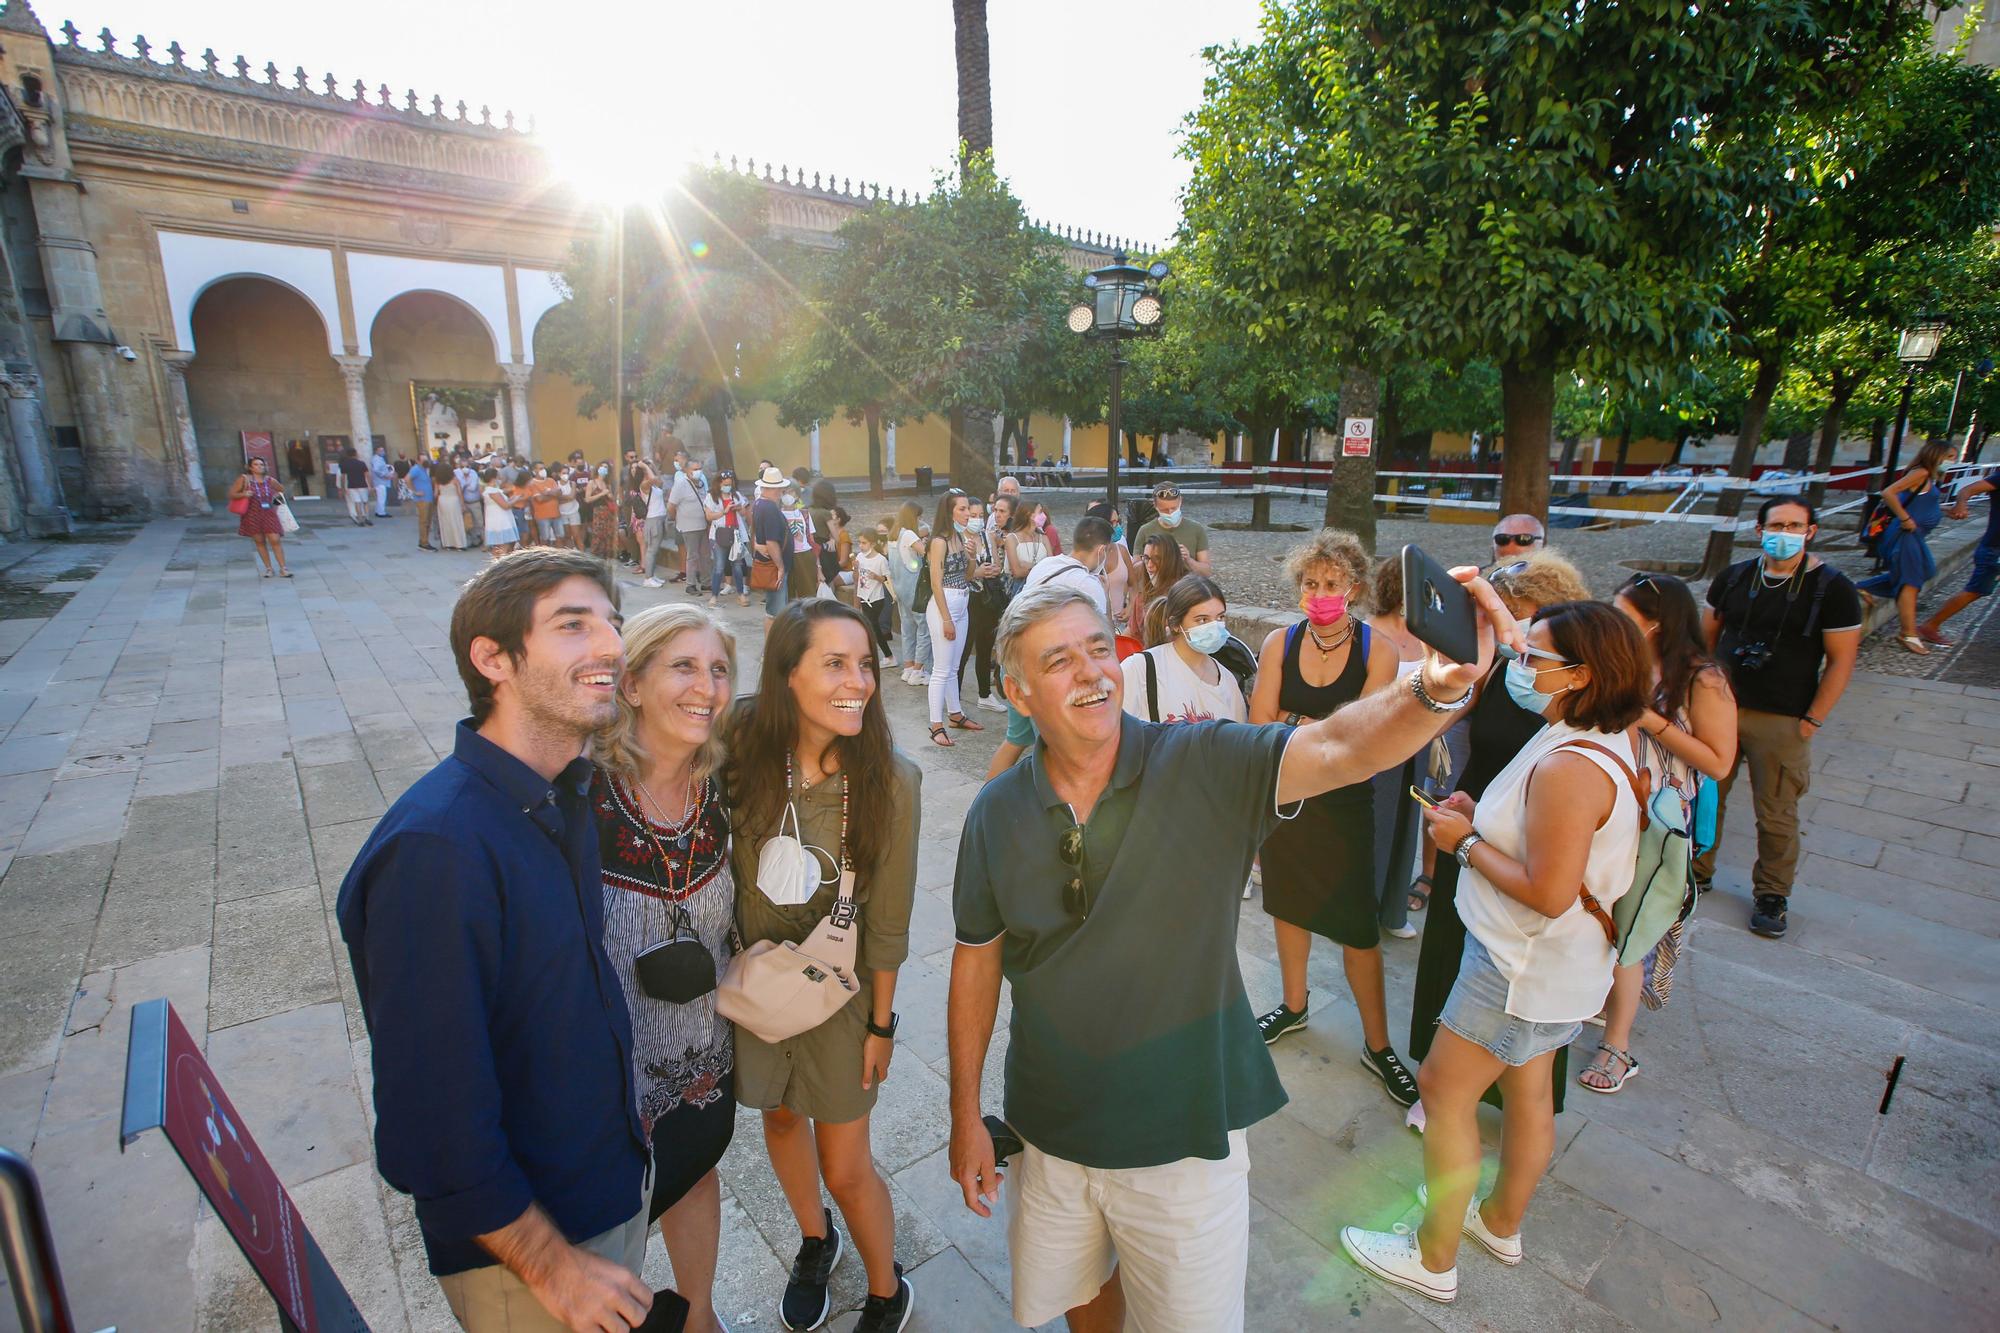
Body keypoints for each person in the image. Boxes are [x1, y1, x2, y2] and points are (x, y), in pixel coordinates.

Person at [948, 576, 1520, 1333]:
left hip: (1185, 1142)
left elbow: (1339, 745)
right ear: (1018, 696)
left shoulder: (1201, 761)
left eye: (1098, 647)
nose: (1092, 671)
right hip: (1050, 1130)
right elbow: (976, 962)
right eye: (1060, 661)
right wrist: (963, 1113)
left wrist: (1436, 687)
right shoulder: (995, 811)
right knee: (1080, 1298)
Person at [337, 550, 654, 1333]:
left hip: (601, 1189)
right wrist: (556, 1270)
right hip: (532, 1263)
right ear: (493, 659)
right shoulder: (437, 849)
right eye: (573, 625)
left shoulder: (563, 792)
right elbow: (431, 1128)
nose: (610, 643)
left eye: (610, 620)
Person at [1341, 601, 1651, 1305]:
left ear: (1581, 674)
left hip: (1519, 965)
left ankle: (1432, 1255)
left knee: (1444, 1093)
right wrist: (1479, 816)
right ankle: (1501, 1221)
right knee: (1528, 1089)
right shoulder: (1592, 732)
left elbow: (1548, 889)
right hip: (1554, 969)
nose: (1518, 666)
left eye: (1534, 657)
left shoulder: (1572, 763)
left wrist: (1464, 845)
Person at [725, 600, 919, 1333]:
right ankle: (815, 1239)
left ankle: (884, 1285)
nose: (860, 681)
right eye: (835, 663)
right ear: (787, 673)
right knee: (778, 1117)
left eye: (865, 663)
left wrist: (882, 1024)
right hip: (757, 986)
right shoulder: (742, 746)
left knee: (846, 1163)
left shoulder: (889, 781)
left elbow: (891, 921)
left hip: (843, 998)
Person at [1406, 552, 1591, 1131]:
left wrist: (1465, 842)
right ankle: (1444, 1083)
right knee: (1449, 961)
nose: (1513, 636)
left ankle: (1478, 1097)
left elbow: (1552, 882)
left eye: (1520, 617)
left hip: (1520, 843)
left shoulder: (1571, 711)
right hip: (1472, 812)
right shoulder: (1501, 673)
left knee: (1513, 1000)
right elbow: (1439, 718)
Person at [592, 604, 737, 1333]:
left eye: (717, 670)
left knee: (694, 1175)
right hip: (611, 1085)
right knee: (611, 1235)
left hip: (704, 1064)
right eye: (684, 666)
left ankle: (703, 1317)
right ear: (633, 682)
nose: (706, 687)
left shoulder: (721, 790)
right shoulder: (579, 796)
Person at [1248, 529, 1416, 1107]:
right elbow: (1259, 723)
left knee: (1356, 928)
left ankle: (1379, 1044)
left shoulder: (1380, 652)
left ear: (1356, 587)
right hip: (1286, 794)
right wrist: (1321, 728)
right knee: (1287, 905)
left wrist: (1299, 723)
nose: (1321, 593)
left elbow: (1361, 737)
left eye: (1333, 583)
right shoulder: (1278, 643)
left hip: (1346, 802)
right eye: (1312, 583)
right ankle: (1293, 1006)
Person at [1578, 573, 1738, 1095]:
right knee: (1594, 914)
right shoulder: (1623, 663)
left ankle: (1618, 1048)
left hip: (1656, 820)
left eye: (1626, 613)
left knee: (1632, 932)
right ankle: (1595, 1003)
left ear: (1656, 622)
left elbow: (1718, 762)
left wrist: (1649, 719)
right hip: (1604, 807)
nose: (1617, 621)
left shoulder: (1702, 679)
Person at [1700, 497, 1861, 938]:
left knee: (1776, 812)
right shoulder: (1735, 578)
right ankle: (1696, 870)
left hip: (1784, 718)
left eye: (1795, 526)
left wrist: (1812, 719)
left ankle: (1772, 894)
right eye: (1777, 525)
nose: (1784, 533)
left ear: (1810, 531)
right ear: (1759, 529)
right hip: (1722, 709)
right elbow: (1706, 638)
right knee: (1704, 797)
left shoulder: (1833, 588)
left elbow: (1842, 659)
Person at [1366, 555, 1430, 940]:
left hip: (1418, 744)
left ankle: (1392, 912)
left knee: (1409, 826)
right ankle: (1360, 912)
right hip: (1375, 744)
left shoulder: (1428, 634)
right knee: (1373, 830)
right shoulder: (1370, 631)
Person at [1858, 441, 1949, 654]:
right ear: (1937, 455)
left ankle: (1864, 586)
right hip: (1905, 535)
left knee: (1925, 571)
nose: (1953, 461)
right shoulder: (1921, 472)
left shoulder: (1929, 476)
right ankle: (1908, 633)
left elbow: (1921, 502)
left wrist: (1946, 510)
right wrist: (1905, 518)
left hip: (1915, 536)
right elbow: (1888, 493)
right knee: (1910, 581)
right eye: (1950, 456)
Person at [1121, 574, 1242, 725]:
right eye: (1202, 620)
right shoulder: (1139, 669)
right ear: (1175, 624)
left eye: (1220, 617)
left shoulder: (1227, 680)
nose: (1214, 627)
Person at [925, 489, 995, 747]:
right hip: (945, 606)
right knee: (941, 670)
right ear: (950, 512)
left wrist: (972, 555)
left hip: (962, 602)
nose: (968, 514)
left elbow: (967, 575)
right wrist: (946, 619)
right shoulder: (939, 541)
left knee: (953, 668)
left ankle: (955, 714)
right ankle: (936, 724)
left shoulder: (959, 538)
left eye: (968, 509)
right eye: (962, 509)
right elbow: (936, 582)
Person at [1917, 466, 1998, 645]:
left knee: (1976, 591)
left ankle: (1930, 626)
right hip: (1995, 548)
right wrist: (1961, 505)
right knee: (1975, 590)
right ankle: (1929, 626)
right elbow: (1967, 490)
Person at [962, 498, 1007, 714]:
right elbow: (955, 574)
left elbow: (998, 565)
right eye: (973, 515)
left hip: (988, 600)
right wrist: (976, 572)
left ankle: (984, 695)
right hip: (967, 600)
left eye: (980, 515)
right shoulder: (958, 539)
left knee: (985, 647)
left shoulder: (988, 537)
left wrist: (991, 570)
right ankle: (954, 699)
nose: (977, 520)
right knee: (962, 650)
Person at [889, 501, 931, 685]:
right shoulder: (909, 534)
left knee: (907, 628)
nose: (920, 520)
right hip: (914, 587)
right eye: (918, 516)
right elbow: (925, 553)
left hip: (899, 588)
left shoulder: (894, 534)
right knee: (924, 628)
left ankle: (908, 668)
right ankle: (918, 671)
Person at [1131, 483, 1212, 577]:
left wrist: (1189, 560)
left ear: (1180, 501)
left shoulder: (1197, 529)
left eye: (1174, 508)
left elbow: (1207, 572)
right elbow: (1134, 572)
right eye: (1164, 510)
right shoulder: (1145, 530)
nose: (1170, 513)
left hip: (1187, 588)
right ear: (1155, 505)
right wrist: (1152, 558)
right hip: (1154, 589)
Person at [230, 456, 291, 578]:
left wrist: (275, 500)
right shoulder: (244, 479)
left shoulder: (269, 480)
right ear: (250, 467)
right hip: (252, 514)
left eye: (261, 465)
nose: (259, 467)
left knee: (275, 539)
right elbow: (232, 493)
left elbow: (281, 489)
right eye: (256, 465)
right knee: (260, 541)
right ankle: (268, 568)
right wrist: (244, 494)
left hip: (269, 513)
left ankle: (283, 568)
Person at [1131, 534, 1192, 648]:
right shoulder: (1142, 598)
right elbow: (1132, 633)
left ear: (1171, 560)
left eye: (1156, 559)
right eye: (1146, 558)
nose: (1149, 565)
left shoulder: (1187, 596)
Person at [750, 467, 792, 623]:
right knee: (775, 613)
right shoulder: (769, 508)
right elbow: (771, 541)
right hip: (773, 566)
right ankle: (772, 646)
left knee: (774, 610)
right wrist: (780, 567)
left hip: (769, 563)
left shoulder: (759, 504)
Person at [704, 470, 751, 606]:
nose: (728, 486)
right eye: (725, 484)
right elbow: (709, 516)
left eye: (730, 484)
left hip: (736, 534)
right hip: (720, 534)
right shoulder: (711, 497)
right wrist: (723, 512)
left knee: (737, 565)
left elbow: (743, 512)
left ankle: (741, 594)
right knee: (719, 566)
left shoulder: (736, 495)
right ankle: (714, 596)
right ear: (719, 484)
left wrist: (738, 508)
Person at [672, 455, 712, 592]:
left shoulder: (701, 483)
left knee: (705, 555)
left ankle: (706, 582)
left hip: (703, 524)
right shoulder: (681, 484)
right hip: (689, 527)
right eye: (695, 469)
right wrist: (678, 519)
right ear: (688, 471)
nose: (698, 471)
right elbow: (671, 506)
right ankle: (691, 584)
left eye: (700, 469)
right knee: (692, 555)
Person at [854, 526, 894, 655]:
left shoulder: (881, 559)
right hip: (864, 596)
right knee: (872, 628)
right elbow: (857, 577)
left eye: (864, 543)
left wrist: (876, 577)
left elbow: (887, 578)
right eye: (859, 542)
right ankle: (883, 655)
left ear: (873, 543)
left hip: (876, 598)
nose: (861, 545)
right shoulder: (860, 556)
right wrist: (855, 568)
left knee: (872, 627)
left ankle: (887, 656)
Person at [1001, 499, 1050, 593]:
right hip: (1020, 589)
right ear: (1029, 514)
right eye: (1040, 512)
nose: (1043, 515)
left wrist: (1029, 567)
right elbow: (1017, 572)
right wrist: (1041, 568)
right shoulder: (1012, 538)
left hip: (1042, 588)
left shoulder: (1044, 538)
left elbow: (1051, 567)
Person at [642, 466, 674, 588]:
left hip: (660, 518)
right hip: (653, 520)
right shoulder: (644, 486)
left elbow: (658, 479)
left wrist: (652, 466)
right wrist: (645, 467)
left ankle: (652, 575)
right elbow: (654, 478)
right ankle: (648, 578)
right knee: (651, 550)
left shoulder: (655, 486)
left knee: (655, 550)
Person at [479, 468, 519, 558]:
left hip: (500, 518)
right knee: (502, 545)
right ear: (494, 478)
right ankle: (499, 563)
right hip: (499, 520)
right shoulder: (492, 491)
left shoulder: (494, 490)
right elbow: (505, 505)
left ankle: (499, 562)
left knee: (503, 545)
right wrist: (516, 499)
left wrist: (513, 498)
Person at [407, 453, 437, 551]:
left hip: (429, 498)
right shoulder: (416, 469)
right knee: (424, 521)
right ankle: (424, 543)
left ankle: (424, 540)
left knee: (427, 521)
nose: (426, 462)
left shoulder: (425, 469)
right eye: (423, 460)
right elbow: (407, 479)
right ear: (418, 461)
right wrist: (415, 491)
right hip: (422, 500)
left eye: (426, 460)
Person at [455, 456, 484, 546]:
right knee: (468, 524)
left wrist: (465, 480)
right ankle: (473, 541)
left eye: (467, 466)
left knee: (479, 522)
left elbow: (472, 487)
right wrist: (464, 480)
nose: (465, 469)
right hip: (464, 502)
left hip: (474, 501)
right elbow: (459, 487)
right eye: (462, 467)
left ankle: (484, 540)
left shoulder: (473, 473)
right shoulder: (456, 473)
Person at [340, 447, 373, 526]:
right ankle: (367, 518)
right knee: (365, 502)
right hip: (362, 484)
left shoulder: (344, 464)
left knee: (357, 502)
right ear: (355, 454)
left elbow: (343, 477)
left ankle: (360, 519)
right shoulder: (361, 463)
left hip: (351, 485)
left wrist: (343, 488)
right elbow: (367, 475)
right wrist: (370, 485)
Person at [559, 467, 584, 549]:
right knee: (567, 536)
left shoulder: (572, 483)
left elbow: (572, 496)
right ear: (559, 474)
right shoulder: (556, 484)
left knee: (577, 535)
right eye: (563, 473)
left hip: (573, 512)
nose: (565, 475)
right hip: (562, 513)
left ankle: (582, 556)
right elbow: (557, 500)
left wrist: (561, 498)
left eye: (567, 473)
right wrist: (567, 498)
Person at [370, 444, 395, 517]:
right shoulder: (376, 459)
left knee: (380, 497)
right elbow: (376, 470)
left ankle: (378, 511)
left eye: (383, 450)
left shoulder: (380, 458)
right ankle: (381, 512)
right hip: (380, 481)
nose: (382, 452)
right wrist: (386, 475)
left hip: (381, 481)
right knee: (382, 497)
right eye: (380, 450)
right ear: (376, 451)